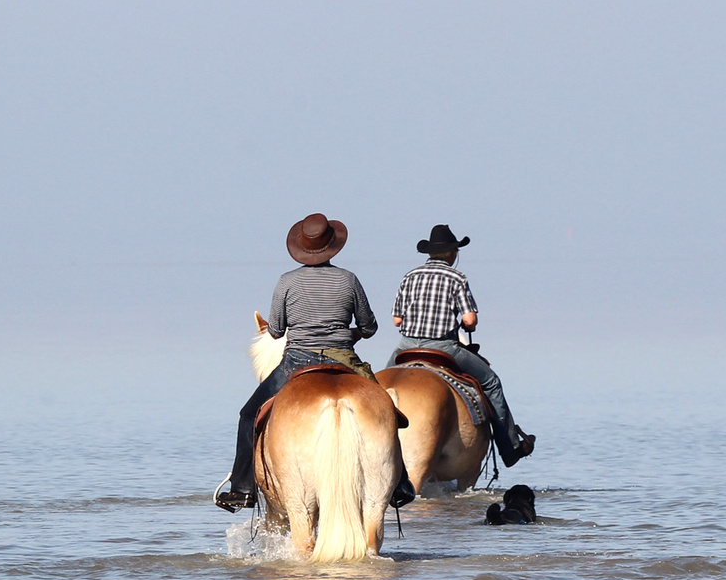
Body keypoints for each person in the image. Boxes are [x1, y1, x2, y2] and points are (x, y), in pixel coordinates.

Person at [216, 212, 415, 513]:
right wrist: (348, 332)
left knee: (248, 415)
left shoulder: (286, 282)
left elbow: (276, 331)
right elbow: (370, 327)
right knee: (387, 412)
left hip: (294, 363)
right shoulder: (348, 279)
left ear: (301, 246)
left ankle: (242, 488)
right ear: (331, 246)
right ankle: (400, 483)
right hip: (344, 359)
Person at [386, 224, 535, 466]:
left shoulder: (409, 276)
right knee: (491, 382)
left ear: (430, 252)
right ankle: (510, 447)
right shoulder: (457, 277)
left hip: (406, 346)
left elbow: (397, 320)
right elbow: (469, 319)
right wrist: (469, 326)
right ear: (453, 253)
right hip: (444, 347)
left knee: (379, 387)